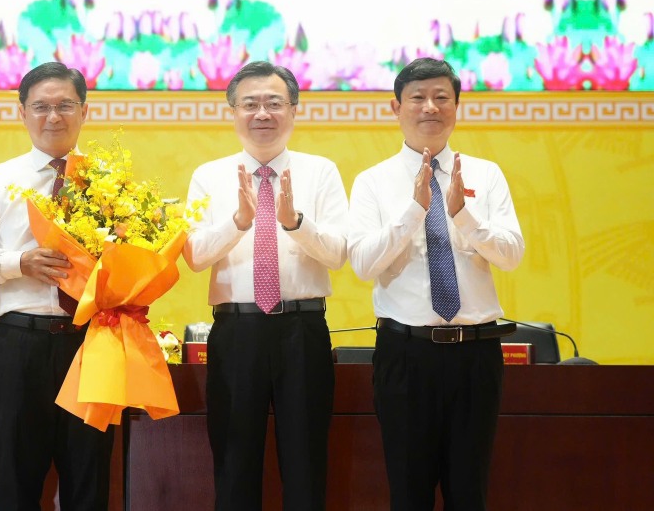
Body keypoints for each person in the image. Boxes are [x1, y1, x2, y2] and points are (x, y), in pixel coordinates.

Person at [347, 57, 525, 510]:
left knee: (470, 491)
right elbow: (363, 264)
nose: (430, 107)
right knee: (408, 492)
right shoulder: (372, 182)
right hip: (406, 354)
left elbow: (511, 255)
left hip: (476, 353)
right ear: (396, 107)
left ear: (456, 106)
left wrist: (463, 215)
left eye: (441, 97)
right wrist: (413, 211)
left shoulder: (486, 175)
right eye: (418, 98)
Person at [182, 61, 349, 511]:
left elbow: (339, 253)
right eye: (250, 104)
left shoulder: (320, 172)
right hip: (237, 332)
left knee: (306, 462)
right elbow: (195, 256)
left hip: (303, 330)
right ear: (232, 112)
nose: (262, 114)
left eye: (274, 103)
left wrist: (295, 222)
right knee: (234, 464)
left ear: (294, 110)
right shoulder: (209, 175)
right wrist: (238, 223)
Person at [0, 62, 115, 510]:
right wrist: (17, 263)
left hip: (90, 343)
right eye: (41, 106)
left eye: (65, 105)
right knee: (16, 478)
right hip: (19, 344)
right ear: (22, 112)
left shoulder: (110, 184)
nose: (53, 116)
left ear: (84, 111)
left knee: (90, 476)